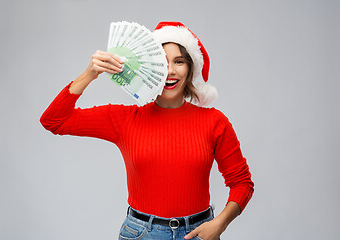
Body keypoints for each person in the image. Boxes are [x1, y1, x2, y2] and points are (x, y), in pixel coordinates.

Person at [40, 21, 254, 240]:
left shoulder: (215, 122)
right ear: (149, 67)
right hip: (142, 234)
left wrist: (220, 224)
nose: (170, 70)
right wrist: (89, 74)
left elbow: (242, 183)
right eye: (161, 62)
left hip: (199, 233)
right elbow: (54, 120)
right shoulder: (125, 119)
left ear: (190, 68)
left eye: (179, 61)